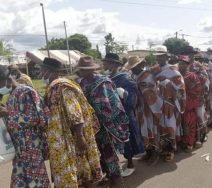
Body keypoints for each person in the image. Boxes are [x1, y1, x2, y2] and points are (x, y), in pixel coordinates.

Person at [41, 58, 104, 187]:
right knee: (79, 168)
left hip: (71, 137)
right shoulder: (54, 86)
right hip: (63, 137)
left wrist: (80, 137)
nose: (40, 72)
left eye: (42, 69)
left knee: (82, 169)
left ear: (48, 71)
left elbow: (75, 112)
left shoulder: (63, 87)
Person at [75, 56, 129, 188]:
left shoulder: (103, 82)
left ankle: (117, 182)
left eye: (82, 69)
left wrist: (105, 120)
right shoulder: (82, 84)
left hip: (105, 128)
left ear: (90, 70)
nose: (80, 72)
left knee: (110, 159)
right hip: (91, 129)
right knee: (99, 159)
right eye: (80, 69)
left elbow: (114, 105)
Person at [0, 65, 50, 187]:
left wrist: (8, 113)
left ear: (7, 79)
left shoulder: (26, 92)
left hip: (31, 148)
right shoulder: (12, 95)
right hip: (19, 150)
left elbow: (41, 118)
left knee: (36, 183)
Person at [103, 54, 144, 177]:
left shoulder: (125, 78)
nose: (104, 65)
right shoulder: (108, 78)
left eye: (106, 63)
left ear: (114, 64)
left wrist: (123, 93)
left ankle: (130, 163)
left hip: (125, 113)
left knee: (128, 138)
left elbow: (133, 97)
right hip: (113, 114)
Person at [152, 51, 186, 161]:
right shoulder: (155, 70)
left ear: (166, 57)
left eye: (162, 56)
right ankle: (164, 147)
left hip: (170, 103)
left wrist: (166, 81)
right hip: (157, 104)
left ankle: (171, 149)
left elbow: (180, 87)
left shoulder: (172, 70)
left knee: (170, 126)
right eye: (158, 57)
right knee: (161, 127)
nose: (159, 59)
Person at [129, 56, 162, 166]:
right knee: (143, 131)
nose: (132, 69)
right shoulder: (134, 75)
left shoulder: (147, 76)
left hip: (149, 107)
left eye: (134, 67)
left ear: (141, 65)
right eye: (131, 68)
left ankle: (155, 153)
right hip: (140, 108)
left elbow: (152, 91)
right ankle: (148, 152)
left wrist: (138, 90)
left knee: (151, 129)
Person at [178, 55, 205, 152]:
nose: (181, 66)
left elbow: (198, 89)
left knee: (191, 124)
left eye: (183, 64)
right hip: (179, 104)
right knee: (182, 124)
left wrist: (186, 94)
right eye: (180, 63)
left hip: (190, 104)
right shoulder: (176, 75)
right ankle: (184, 141)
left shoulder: (192, 75)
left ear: (187, 65)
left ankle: (191, 143)